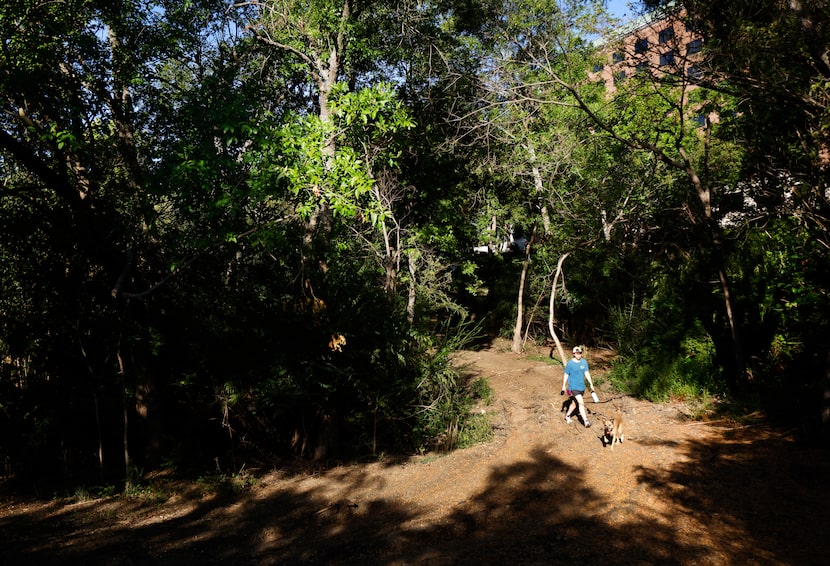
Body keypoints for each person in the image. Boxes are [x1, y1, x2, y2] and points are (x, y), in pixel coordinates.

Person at [561, 346, 595, 428]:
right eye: (577, 353)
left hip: (581, 387)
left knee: (574, 404)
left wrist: (591, 384)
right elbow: (566, 374)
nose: (579, 355)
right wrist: (563, 386)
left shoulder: (584, 362)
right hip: (573, 387)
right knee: (581, 403)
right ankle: (586, 421)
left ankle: (568, 415)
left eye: (580, 353)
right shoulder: (570, 364)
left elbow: (586, 373)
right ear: (573, 354)